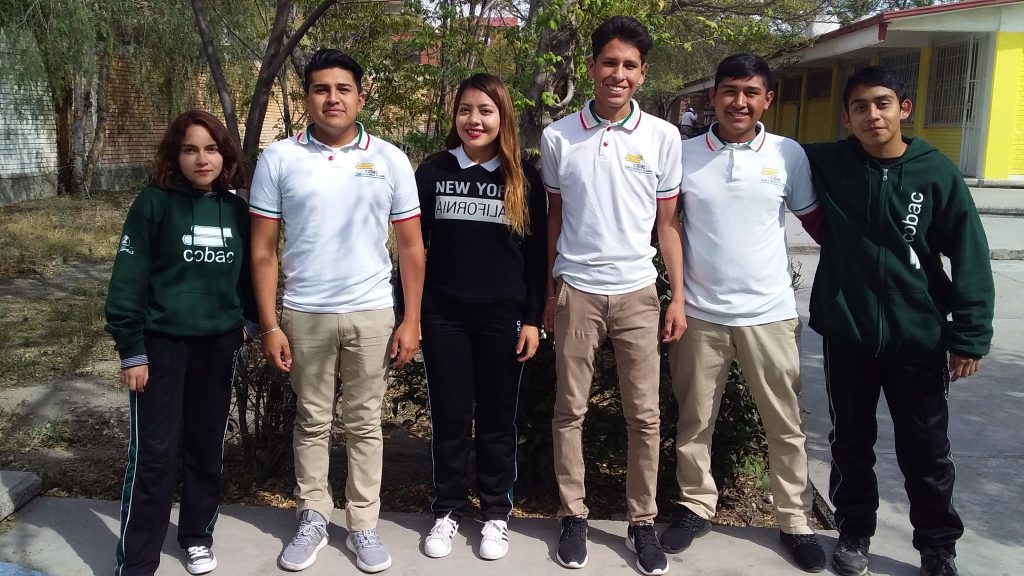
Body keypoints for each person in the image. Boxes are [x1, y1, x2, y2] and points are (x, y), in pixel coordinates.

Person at [803, 66, 994, 576]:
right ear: (846, 117)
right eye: (860, 106)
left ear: (903, 109)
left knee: (927, 450)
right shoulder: (829, 162)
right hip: (849, 332)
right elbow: (764, 149)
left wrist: (970, 335)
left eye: (883, 103)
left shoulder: (936, 172)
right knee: (850, 442)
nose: (872, 115)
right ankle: (853, 532)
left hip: (918, 337)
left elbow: (970, 253)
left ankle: (937, 547)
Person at [249, 49, 425, 574]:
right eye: (321, 89)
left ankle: (363, 523)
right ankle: (313, 516)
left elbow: (411, 247)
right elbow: (263, 250)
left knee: (365, 423)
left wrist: (411, 319)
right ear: (307, 97)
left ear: (360, 98)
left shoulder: (390, 159)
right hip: (305, 313)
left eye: (343, 89)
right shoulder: (279, 159)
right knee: (311, 420)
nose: (332, 98)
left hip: (372, 312)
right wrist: (270, 323)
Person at [662, 53, 826, 573]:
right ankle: (695, 505)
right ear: (712, 97)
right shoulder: (683, 154)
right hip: (700, 314)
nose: (739, 102)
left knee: (785, 424)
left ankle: (794, 520)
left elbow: (816, 222)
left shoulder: (787, 154)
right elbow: (666, 224)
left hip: (770, 314)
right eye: (730, 91)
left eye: (751, 92)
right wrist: (677, 296)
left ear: (767, 100)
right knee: (694, 420)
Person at [540, 15, 686, 576]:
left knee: (645, 416)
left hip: (637, 293)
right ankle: (573, 515)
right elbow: (555, 216)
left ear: (642, 74)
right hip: (576, 290)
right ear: (591, 67)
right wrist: (550, 289)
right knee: (569, 410)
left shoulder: (663, 137)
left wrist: (677, 297)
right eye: (609, 63)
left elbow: (667, 225)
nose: (618, 74)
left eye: (629, 65)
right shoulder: (559, 136)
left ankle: (641, 521)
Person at [106, 109, 257, 576]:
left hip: (217, 347)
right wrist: (132, 349)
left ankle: (196, 537)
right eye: (190, 149)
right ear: (176, 155)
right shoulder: (153, 204)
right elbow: (128, 280)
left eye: (211, 149)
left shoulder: (236, 211)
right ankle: (138, 560)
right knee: (153, 454)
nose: (201, 159)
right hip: (160, 348)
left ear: (225, 155)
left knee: (206, 446)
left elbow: (253, 275)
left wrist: (249, 324)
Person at [413, 73, 547, 561]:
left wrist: (532, 319)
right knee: (450, 418)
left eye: (485, 110)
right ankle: (447, 509)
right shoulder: (433, 171)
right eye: (465, 109)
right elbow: (412, 250)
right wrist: (412, 314)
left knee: (497, 419)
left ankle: (495, 513)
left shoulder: (523, 177)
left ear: (502, 116)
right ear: (455, 116)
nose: (475, 120)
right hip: (443, 317)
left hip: (502, 318)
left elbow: (536, 257)